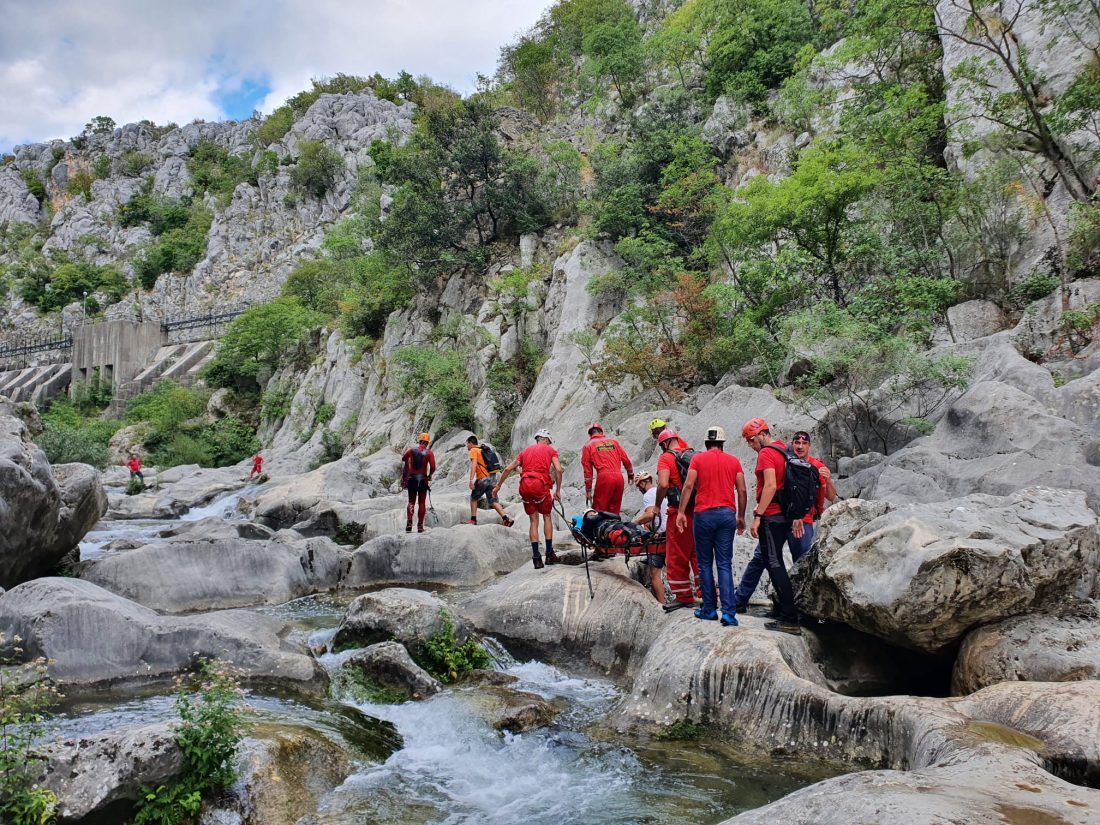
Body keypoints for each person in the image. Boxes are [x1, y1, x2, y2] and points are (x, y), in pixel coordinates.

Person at [734, 430, 836, 609]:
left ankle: (801, 607)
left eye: (804, 443)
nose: (800, 446)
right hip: (782, 517)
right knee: (761, 557)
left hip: (802, 521)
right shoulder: (786, 459)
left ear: (809, 446)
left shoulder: (815, 466)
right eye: (797, 442)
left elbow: (830, 496)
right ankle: (741, 598)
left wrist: (829, 479)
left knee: (801, 563)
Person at [675, 426, 747, 626]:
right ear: (722, 444)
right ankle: (729, 614)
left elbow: (689, 485)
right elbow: (741, 489)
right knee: (724, 563)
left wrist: (681, 512)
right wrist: (740, 516)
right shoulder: (733, 461)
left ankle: (708, 609)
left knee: (705, 563)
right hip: (726, 515)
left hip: (704, 515)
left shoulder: (698, 459)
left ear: (706, 443)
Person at [738, 418, 802, 635]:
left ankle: (789, 618)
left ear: (760, 435)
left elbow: (771, 485)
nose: (750, 445)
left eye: (751, 440)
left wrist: (758, 515)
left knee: (774, 564)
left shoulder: (766, 453)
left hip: (772, 516)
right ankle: (787, 613)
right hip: (786, 515)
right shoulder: (785, 449)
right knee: (771, 561)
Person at [494, 429, 563, 569]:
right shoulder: (551, 451)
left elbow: (507, 469)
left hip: (525, 486)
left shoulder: (525, 451)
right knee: (547, 516)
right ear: (548, 440)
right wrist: (558, 490)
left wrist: (498, 486)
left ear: (537, 439)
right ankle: (549, 554)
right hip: (540, 485)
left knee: (533, 521)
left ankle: (537, 558)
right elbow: (559, 469)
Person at [654, 429, 700, 612]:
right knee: (698, 554)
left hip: (677, 513)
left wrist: (657, 505)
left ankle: (683, 596)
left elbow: (663, 483)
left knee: (676, 555)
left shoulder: (666, 458)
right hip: (697, 511)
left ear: (664, 444)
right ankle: (706, 593)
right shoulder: (690, 454)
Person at [581, 422, 633, 515]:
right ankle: (615, 529)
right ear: (601, 432)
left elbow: (588, 472)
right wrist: (630, 474)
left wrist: (588, 490)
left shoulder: (588, 446)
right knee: (614, 512)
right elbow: (626, 460)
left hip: (604, 478)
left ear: (590, 434)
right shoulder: (614, 442)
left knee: (599, 511)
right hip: (619, 478)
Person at [634, 471, 668, 603]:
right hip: (670, 533)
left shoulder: (648, 494)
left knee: (654, 574)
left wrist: (634, 523)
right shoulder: (660, 492)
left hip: (661, 536)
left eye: (639, 486)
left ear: (643, 483)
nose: (639, 489)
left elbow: (650, 515)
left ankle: (661, 604)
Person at [466, 435, 514, 527]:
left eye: (467, 444)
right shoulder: (483, 449)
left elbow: (474, 465)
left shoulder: (473, 450)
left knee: (473, 498)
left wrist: (471, 480)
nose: (467, 446)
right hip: (492, 478)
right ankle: (506, 519)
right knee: (493, 501)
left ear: (471, 443)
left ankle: (473, 520)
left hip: (482, 479)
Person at [401, 432, 436, 533]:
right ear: (427, 442)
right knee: (421, 503)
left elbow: (403, 459)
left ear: (419, 440)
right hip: (423, 480)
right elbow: (433, 467)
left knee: (411, 502)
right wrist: (430, 475)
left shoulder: (411, 450)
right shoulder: (429, 453)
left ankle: (409, 524)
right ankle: (420, 526)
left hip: (412, 479)